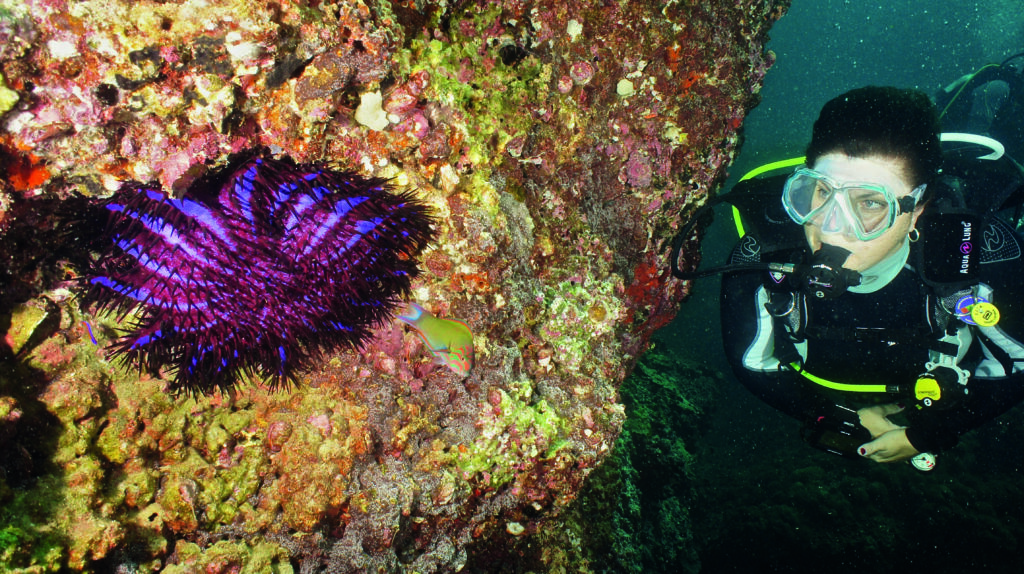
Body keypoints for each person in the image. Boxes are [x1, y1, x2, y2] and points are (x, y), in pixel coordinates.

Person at [719, 86, 1024, 467]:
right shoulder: (762, 255)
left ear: (917, 211)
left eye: (869, 203)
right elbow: (751, 364)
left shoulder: (983, 255)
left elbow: (1020, 363)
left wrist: (929, 433)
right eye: (821, 191)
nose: (830, 228)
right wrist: (837, 420)